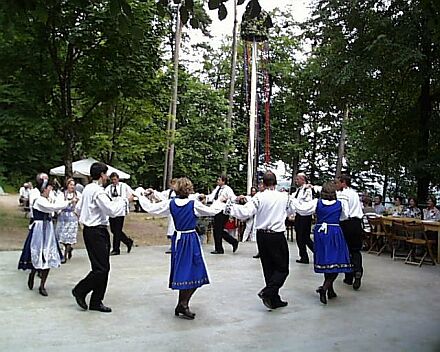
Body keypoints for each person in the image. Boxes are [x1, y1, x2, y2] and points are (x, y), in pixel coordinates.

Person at [136, 177, 225, 319]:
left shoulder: (171, 203)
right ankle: (183, 304)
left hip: (178, 239)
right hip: (189, 239)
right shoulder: (193, 204)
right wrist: (222, 203)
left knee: (185, 271)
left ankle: (182, 304)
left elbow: (152, 208)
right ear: (189, 189)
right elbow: (211, 211)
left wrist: (140, 196)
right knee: (195, 271)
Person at [224, 171, 295, 310]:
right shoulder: (284, 197)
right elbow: (293, 210)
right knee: (282, 268)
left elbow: (245, 212)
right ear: (275, 182)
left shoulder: (259, 197)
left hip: (262, 235)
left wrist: (229, 208)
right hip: (276, 235)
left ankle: (274, 298)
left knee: (268, 267)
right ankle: (268, 292)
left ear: (263, 183)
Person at [72, 162, 132, 313]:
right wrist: (125, 200)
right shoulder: (98, 191)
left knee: (101, 267)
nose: (107, 177)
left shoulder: (87, 189)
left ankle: (96, 301)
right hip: (96, 231)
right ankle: (80, 290)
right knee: (102, 268)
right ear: (102, 175)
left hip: (91, 230)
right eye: (105, 174)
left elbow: (78, 209)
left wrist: (85, 220)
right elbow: (111, 210)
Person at [292, 181, 352, 304]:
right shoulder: (340, 203)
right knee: (336, 262)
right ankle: (325, 288)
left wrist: (291, 200)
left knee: (327, 261)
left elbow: (303, 210)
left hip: (321, 233)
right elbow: (345, 216)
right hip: (334, 232)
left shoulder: (317, 203)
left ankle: (330, 290)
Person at [18, 178, 71, 296]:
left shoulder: (48, 199)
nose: (50, 190)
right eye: (48, 188)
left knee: (48, 255)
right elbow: (52, 208)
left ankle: (42, 285)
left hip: (48, 229)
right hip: (38, 230)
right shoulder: (39, 201)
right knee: (37, 254)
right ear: (43, 189)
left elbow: (55, 206)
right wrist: (68, 202)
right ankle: (33, 272)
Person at [335, 174, 364, 290]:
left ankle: (349, 276)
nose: (336, 185)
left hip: (346, 223)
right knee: (356, 250)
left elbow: (344, 212)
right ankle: (358, 270)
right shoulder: (354, 193)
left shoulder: (343, 195)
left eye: (337, 183)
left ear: (343, 183)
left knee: (346, 250)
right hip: (357, 223)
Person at [205, 175, 239, 254]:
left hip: (223, 211)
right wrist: (205, 197)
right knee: (218, 230)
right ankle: (232, 242)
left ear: (223, 181)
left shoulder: (228, 189)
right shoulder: (217, 189)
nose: (217, 181)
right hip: (216, 210)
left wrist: (229, 199)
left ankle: (220, 248)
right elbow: (211, 197)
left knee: (218, 230)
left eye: (219, 180)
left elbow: (233, 198)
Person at [105, 172, 134, 255]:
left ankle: (116, 249)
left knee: (117, 230)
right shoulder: (108, 188)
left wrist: (128, 200)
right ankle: (128, 241)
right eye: (112, 180)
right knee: (113, 230)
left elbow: (131, 194)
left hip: (120, 211)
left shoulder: (123, 186)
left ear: (118, 179)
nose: (113, 181)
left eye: (115, 179)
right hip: (112, 210)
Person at [56, 178, 81, 263]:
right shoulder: (62, 194)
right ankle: (69, 248)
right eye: (71, 185)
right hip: (63, 217)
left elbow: (80, 205)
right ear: (67, 185)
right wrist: (70, 201)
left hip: (72, 218)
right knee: (61, 237)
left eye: (73, 185)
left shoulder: (78, 194)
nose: (72, 187)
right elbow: (59, 204)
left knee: (69, 237)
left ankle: (65, 255)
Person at [293, 172, 314, 264]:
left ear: (303, 180)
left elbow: (306, 201)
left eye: (298, 179)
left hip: (305, 215)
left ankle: (308, 255)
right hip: (299, 214)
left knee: (303, 237)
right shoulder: (299, 190)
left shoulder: (307, 189)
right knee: (302, 237)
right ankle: (303, 256)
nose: (296, 181)